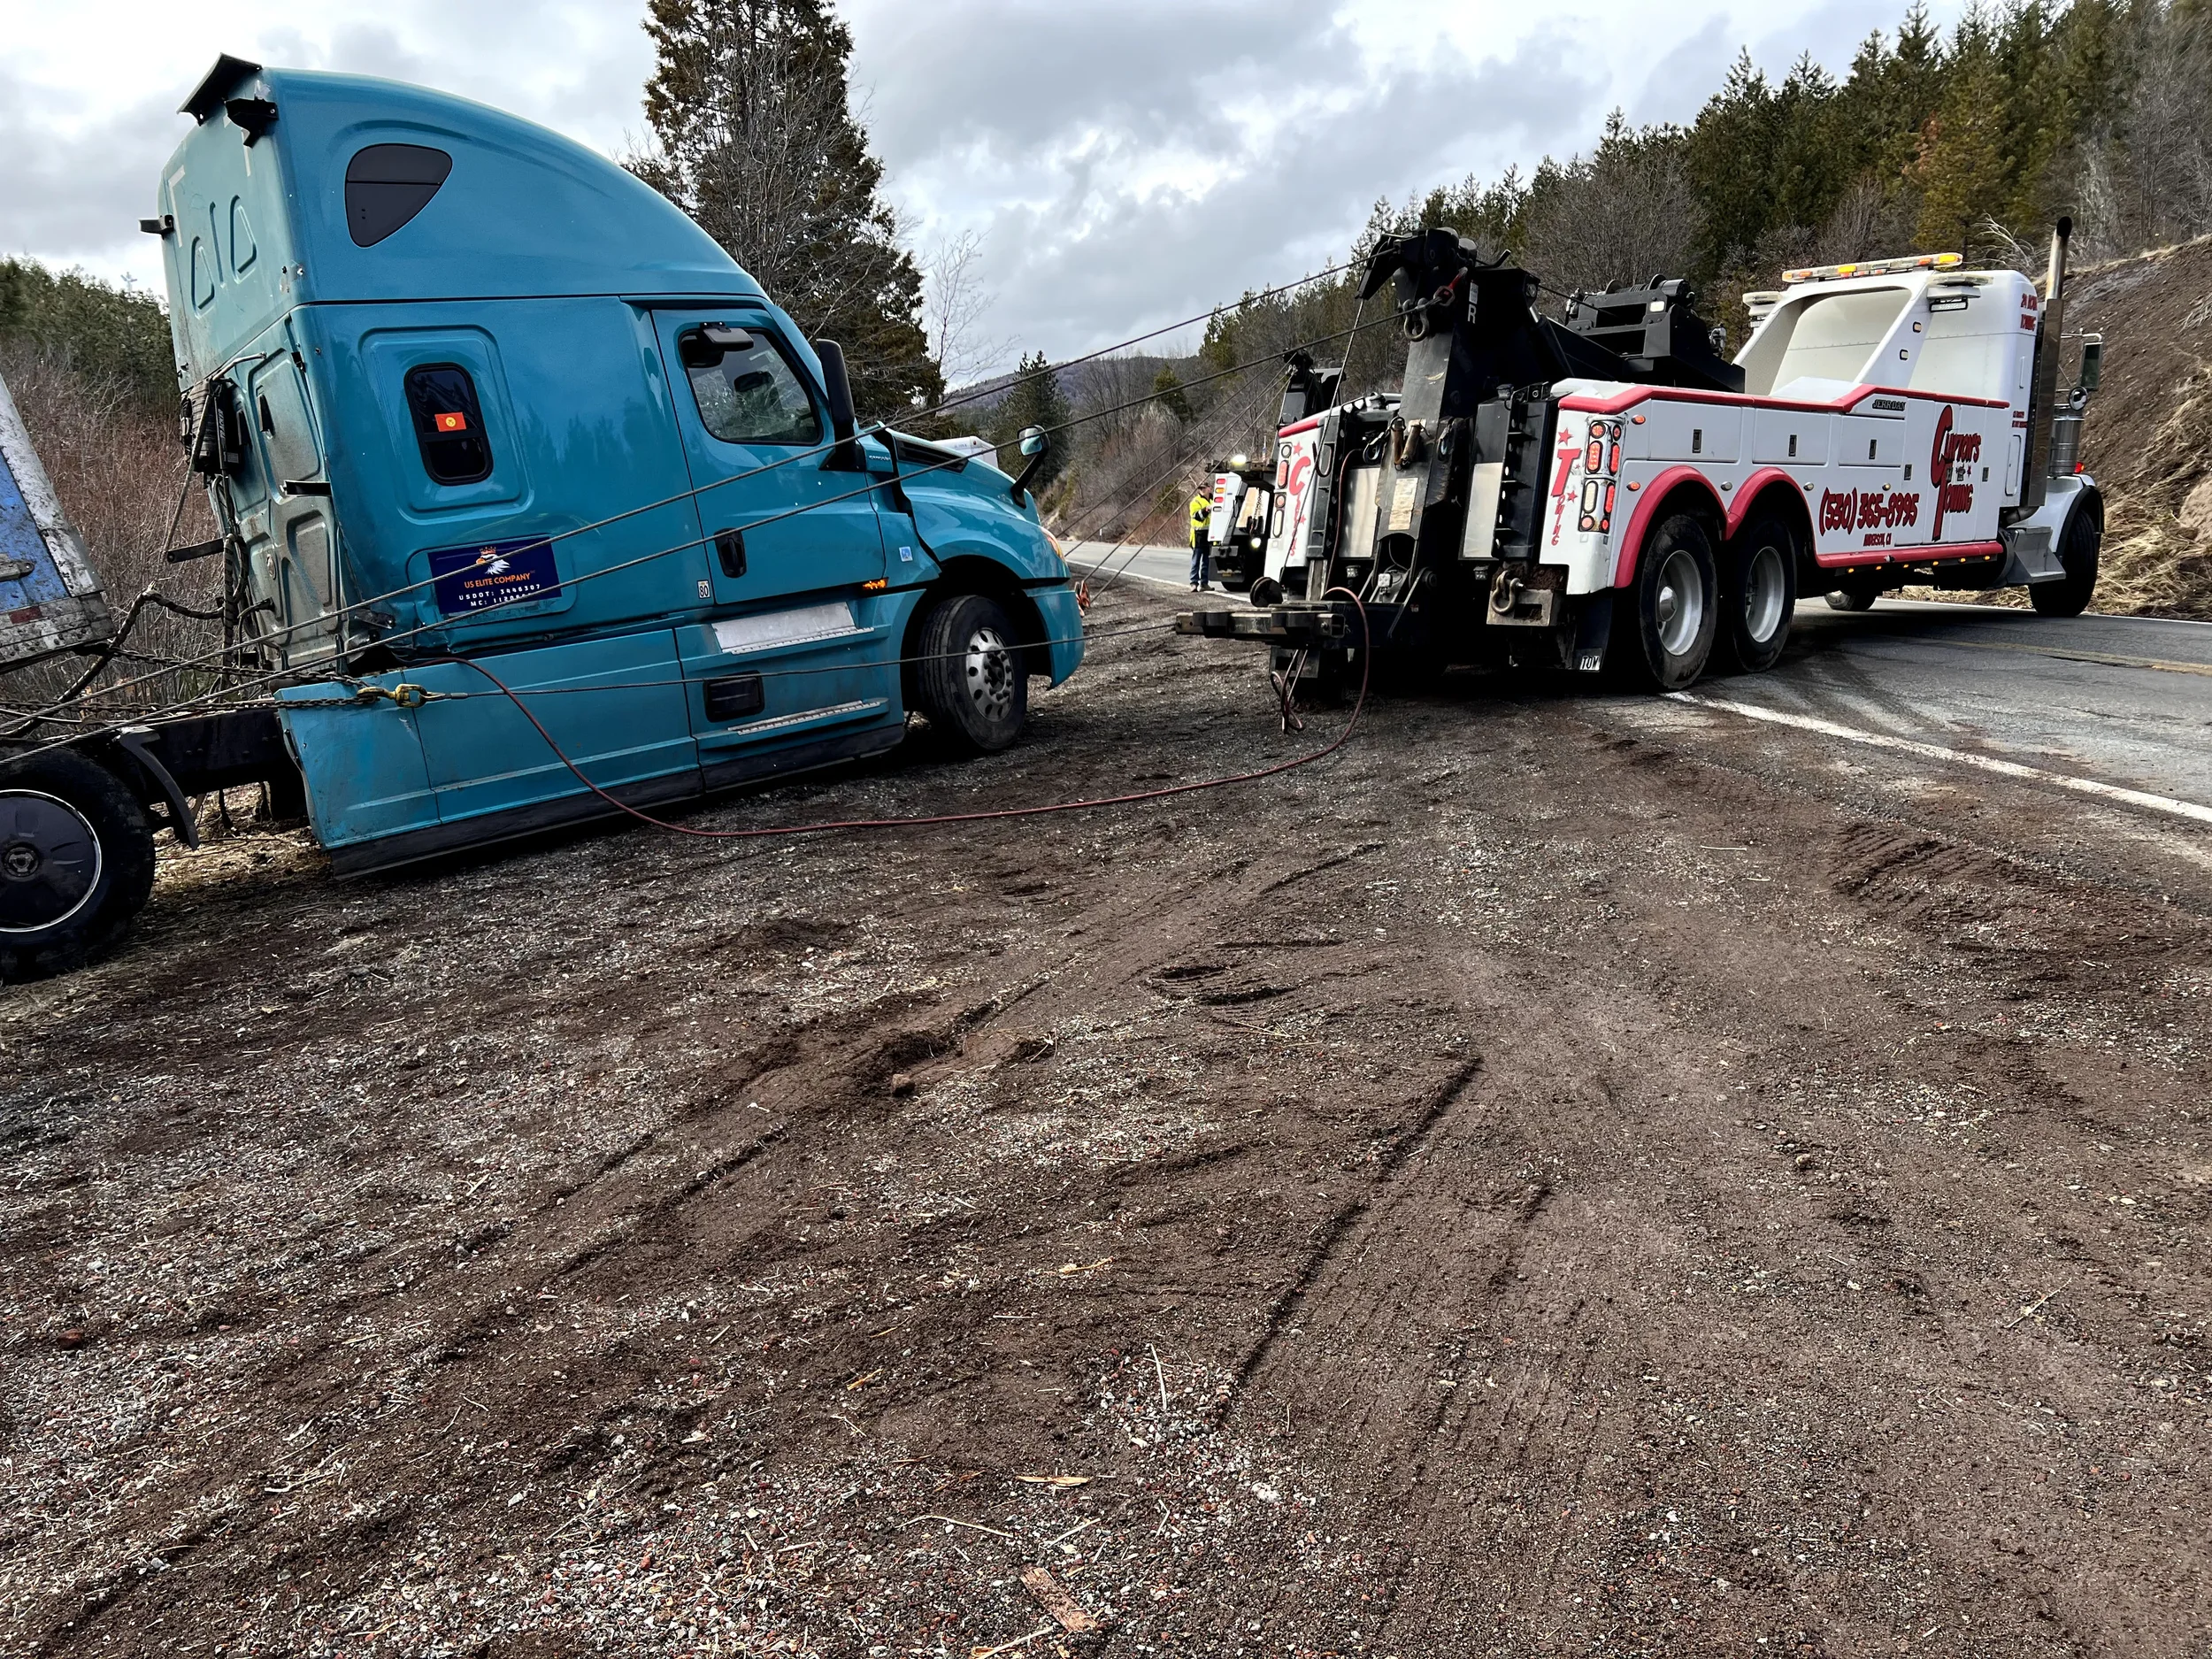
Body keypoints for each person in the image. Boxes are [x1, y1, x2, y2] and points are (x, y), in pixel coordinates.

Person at [1187, 488, 1213, 591]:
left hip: (1210, 535)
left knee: (1207, 561)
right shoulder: (1195, 502)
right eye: (1200, 489)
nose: (1202, 490)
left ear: (1209, 489)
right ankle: (1194, 583)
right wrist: (1207, 509)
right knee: (1196, 561)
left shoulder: (1214, 500)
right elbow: (1198, 516)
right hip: (1198, 535)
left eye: (1204, 488)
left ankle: (1204, 583)